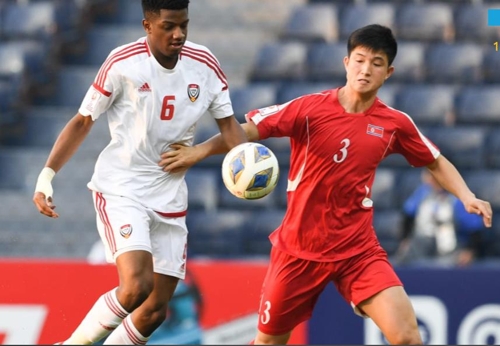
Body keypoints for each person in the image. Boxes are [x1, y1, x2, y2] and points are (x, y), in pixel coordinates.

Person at [159, 24, 493, 345]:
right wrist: (198, 152)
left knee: (407, 337)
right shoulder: (309, 109)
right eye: (360, 60)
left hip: (358, 250)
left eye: (376, 64)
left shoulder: (395, 123)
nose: (366, 70)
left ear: (388, 72)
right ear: (347, 63)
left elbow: (434, 161)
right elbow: (246, 130)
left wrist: (466, 195)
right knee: (270, 341)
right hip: (298, 251)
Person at [32, 0, 247, 344]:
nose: (178, 34)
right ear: (147, 25)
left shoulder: (204, 63)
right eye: (168, 27)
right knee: (136, 287)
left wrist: (244, 164)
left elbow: (229, 126)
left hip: (171, 193)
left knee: (154, 310)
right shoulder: (123, 62)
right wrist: (47, 176)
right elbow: (83, 120)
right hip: (123, 187)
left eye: (184, 26)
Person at [394, 169, 486, 267]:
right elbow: (407, 216)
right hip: (419, 248)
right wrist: (404, 240)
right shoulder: (422, 192)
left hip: (451, 251)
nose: (428, 178)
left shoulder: (459, 198)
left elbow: (475, 229)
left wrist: (469, 251)